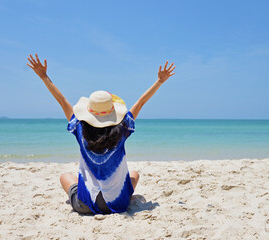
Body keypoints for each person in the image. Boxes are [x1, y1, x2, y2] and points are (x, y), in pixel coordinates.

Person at [27, 54, 176, 214]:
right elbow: (140, 102)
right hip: (119, 203)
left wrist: (44, 76)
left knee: (65, 176)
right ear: (112, 112)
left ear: (89, 112)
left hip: (86, 205)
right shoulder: (122, 129)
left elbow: (62, 101)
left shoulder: (80, 129)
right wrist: (159, 81)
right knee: (134, 175)